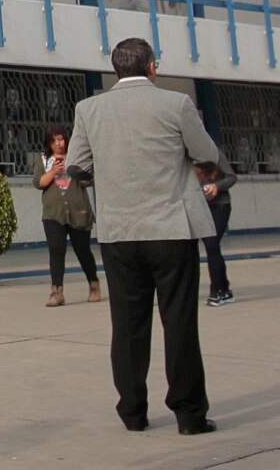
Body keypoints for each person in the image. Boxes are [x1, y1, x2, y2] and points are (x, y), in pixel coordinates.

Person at [65, 36, 221, 437]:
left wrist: (108, 175)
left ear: (116, 69)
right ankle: (189, 414)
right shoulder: (177, 104)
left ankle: (133, 411)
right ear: (151, 66)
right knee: (179, 322)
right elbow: (208, 154)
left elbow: (76, 166)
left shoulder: (89, 109)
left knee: (127, 324)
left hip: (119, 231)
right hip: (171, 228)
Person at [34, 127, 98, 307]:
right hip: (53, 213)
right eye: (54, 140)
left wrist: (74, 169)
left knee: (82, 250)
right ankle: (57, 291)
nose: (58, 144)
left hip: (78, 211)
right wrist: (53, 171)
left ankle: (93, 284)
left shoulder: (75, 158)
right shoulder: (43, 160)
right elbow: (39, 183)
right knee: (56, 250)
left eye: (61, 139)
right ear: (48, 142)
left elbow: (89, 180)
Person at [194, 164, 235, 306]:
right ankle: (224, 289)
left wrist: (217, 186)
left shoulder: (216, 155)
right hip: (198, 206)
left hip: (219, 205)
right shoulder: (186, 156)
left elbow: (232, 177)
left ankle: (216, 290)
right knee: (212, 247)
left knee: (212, 244)